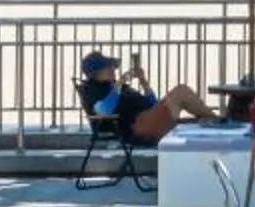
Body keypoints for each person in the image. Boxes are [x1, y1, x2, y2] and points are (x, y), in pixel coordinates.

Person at [77, 52, 215, 143]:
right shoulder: (92, 90)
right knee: (181, 91)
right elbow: (103, 111)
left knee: (196, 122)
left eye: (112, 67)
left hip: (148, 120)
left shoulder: (118, 88)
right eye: (109, 68)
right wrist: (118, 84)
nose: (113, 70)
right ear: (96, 73)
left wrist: (143, 80)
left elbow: (152, 103)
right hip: (136, 128)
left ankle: (218, 123)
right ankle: (221, 122)